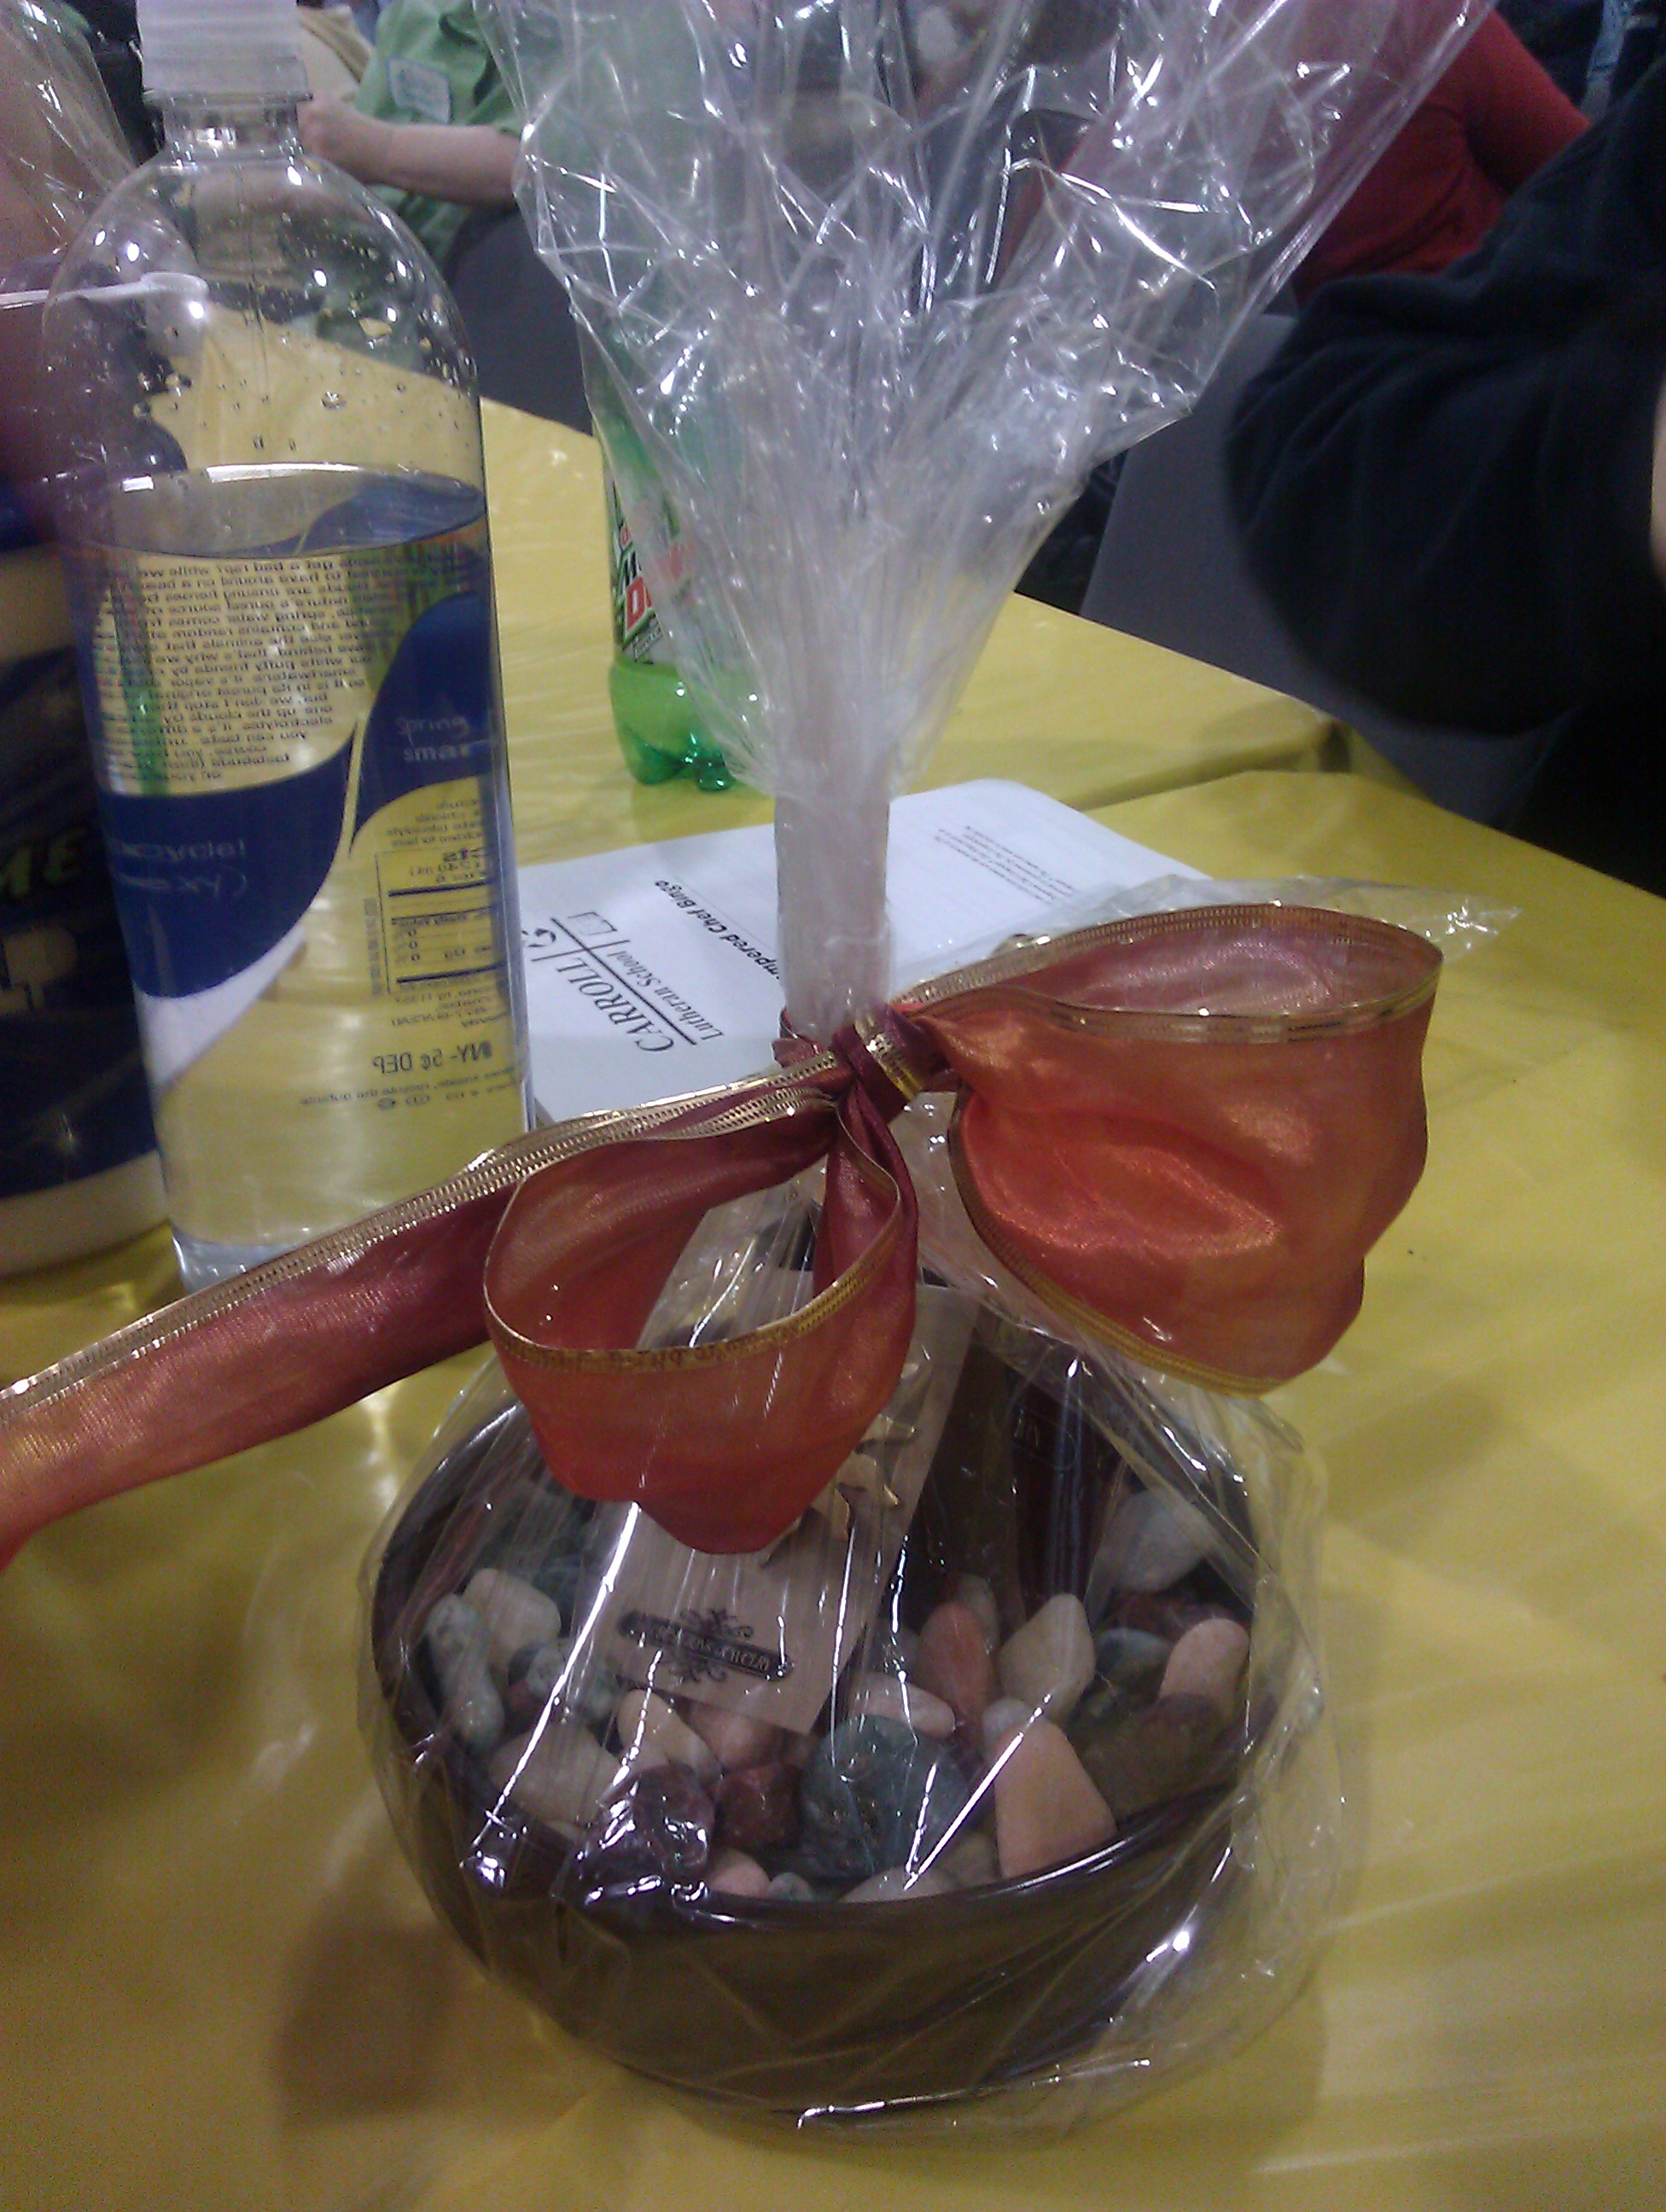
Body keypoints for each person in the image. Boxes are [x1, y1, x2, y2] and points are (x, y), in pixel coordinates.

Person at [1228, 60, 1666, 891]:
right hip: (1459, 352)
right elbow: (1560, 146)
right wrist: (1622, 448)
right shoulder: (1421, 30)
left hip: (1399, 330)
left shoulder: (1241, 51)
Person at [1296, 14, 1586, 299]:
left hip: (1328, 319)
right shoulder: (1425, 19)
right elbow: (1587, 173)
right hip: (1477, 307)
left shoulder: (1270, 44)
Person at [295, 0, 517, 274]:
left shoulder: (551, 27)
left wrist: (380, 148)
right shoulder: (412, 16)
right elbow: (355, 168)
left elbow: (535, 164)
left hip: (486, 272)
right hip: (384, 265)